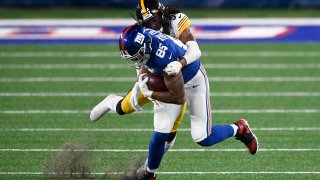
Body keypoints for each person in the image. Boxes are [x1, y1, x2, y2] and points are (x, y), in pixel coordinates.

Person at [118, 24, 259, 180]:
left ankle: (239, 128)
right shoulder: (146, 37)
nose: (135, 60)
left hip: (192, 82)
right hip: (169, 80)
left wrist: (150, 93)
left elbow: (178, 97)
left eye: (136, 56)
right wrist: (140, 81)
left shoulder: (164, 59)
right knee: (160, 133)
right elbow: (143, 65)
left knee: (203, 138)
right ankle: (150, 175)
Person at [90, 0, 200, 168]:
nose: (152, 26)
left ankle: (147, 171)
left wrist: (179, 64)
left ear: (161, 13)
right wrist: (139, 86)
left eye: (154, 20)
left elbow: (195, 51)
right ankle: (111, 102)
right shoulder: (141, 36)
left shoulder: (175, 21)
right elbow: (142, 64)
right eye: (148, 23)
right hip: (154, 77)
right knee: (124, 108)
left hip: (178, 77)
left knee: (168, 138)